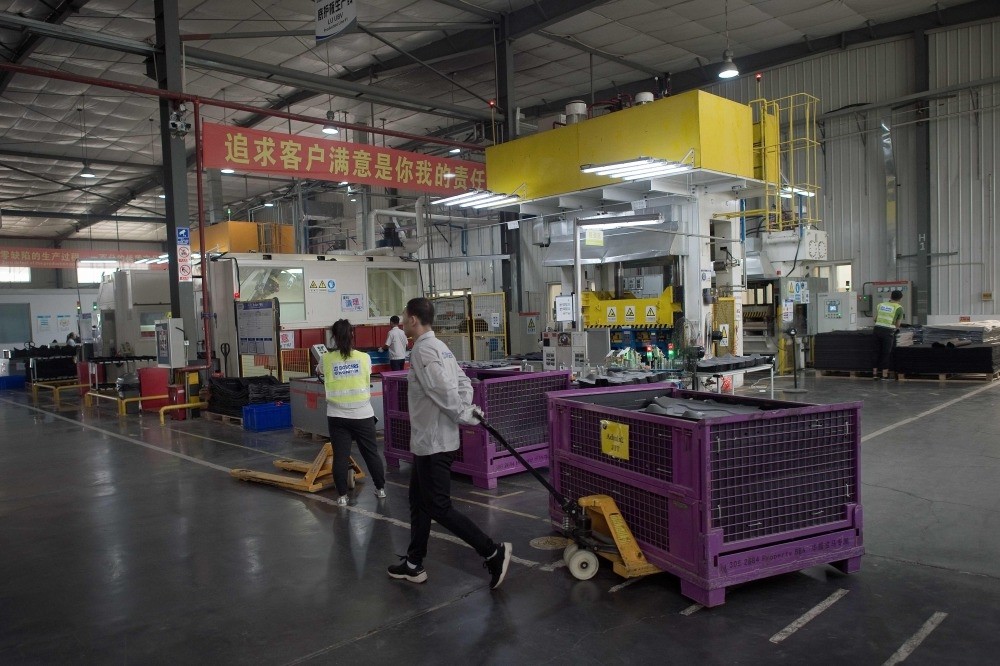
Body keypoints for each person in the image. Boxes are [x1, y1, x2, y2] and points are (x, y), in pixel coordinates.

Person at [387, 297, 512, 590]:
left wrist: (463, 413)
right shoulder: (440, 347)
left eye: (405, 316)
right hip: (427, 442)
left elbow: (443, 391)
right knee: (418, 503)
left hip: (435, 443)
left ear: (414, 320)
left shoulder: (423, 350)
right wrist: (465, 408)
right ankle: (414, 564)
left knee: (439, 507)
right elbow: (463, 383)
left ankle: (492, 551)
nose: (403, 320)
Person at [322, 319, 387, 506]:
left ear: (333, 337)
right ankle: (380, 489)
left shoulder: (326, 359)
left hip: (337, 416)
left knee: (340, 456)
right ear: (352, 335)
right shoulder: (364, 358)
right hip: (362, 415)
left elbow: (321, 371)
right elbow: (367, 374)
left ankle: (342, 496)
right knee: (370, 453)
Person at [873, 289, 904, 379]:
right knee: (886, 353)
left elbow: (875, 319)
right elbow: (898, 324)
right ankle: (884, 375)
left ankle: (874, 374)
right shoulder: (899, 308)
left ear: (890, 296)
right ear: (900, 298)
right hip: (888, 332)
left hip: (877, 330)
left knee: (876, 351)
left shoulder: (880, 305)